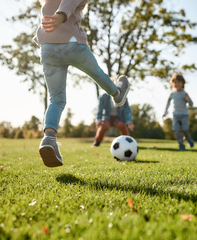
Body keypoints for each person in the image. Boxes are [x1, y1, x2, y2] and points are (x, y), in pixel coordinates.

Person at [34, 0, 130, 167]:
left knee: (55, 100)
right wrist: (61, 15)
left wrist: (43, 37)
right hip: (73, 44)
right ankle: (117, 94)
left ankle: (49, 139)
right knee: (98, 74)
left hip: (47, 48)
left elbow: (47, 16)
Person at [163, 74, 194, 150]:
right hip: (175, 115)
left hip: (184, 115)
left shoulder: (184, 93)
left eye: (179, 82)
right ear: (172, 83)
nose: (177, 84)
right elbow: (168, 103)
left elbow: (191, 104)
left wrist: (188, 99)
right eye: (175, 82)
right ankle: (181, 145)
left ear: (183, 84)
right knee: (176, 130)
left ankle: (188, 138)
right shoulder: (172, 93)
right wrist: (165, 112)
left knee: (185, 129)